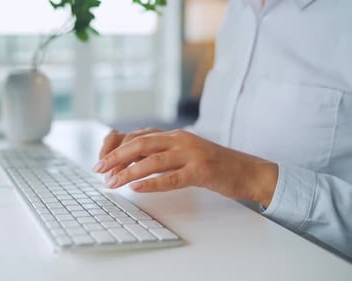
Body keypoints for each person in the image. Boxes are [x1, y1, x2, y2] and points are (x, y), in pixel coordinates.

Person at [93, 0, 352, 259]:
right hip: (216, 244)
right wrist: (164, 147)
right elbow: (220, 133)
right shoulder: (238, 10)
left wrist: (255, 178)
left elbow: (234, 166)